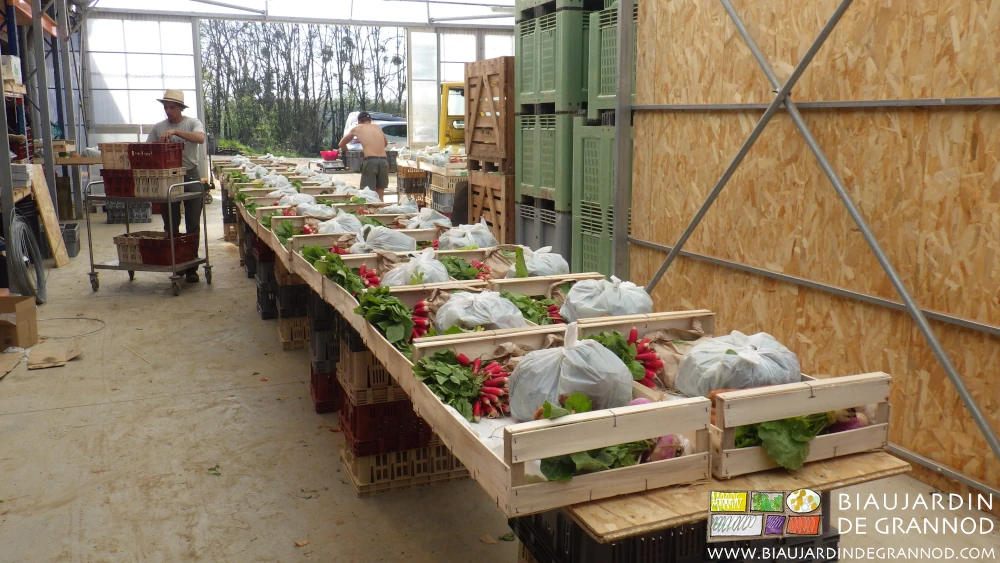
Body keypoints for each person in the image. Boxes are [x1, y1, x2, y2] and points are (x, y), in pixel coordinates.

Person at [146, 89, 206, 283]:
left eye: (172, 107)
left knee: (193, 222)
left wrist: (176, 132)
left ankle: (191, 267)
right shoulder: (158, 127)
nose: (168, 111)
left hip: (190, 176)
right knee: (170, 223)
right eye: (165, 107)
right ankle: (176, 262)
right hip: (168, 179)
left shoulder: (192, 123)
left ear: (180, 108)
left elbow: (200, 138)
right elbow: (148, 149)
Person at [338, 112, 388, 200]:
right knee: (380, 190)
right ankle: (381, 207)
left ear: (359, 121)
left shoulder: (357, 128)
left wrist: (346, 153)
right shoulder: (377, 127)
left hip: (370, 161)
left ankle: (371, 211)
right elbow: (386, 143)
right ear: (370, 120)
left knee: (368, 192)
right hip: (384, 161)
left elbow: (341, 144)